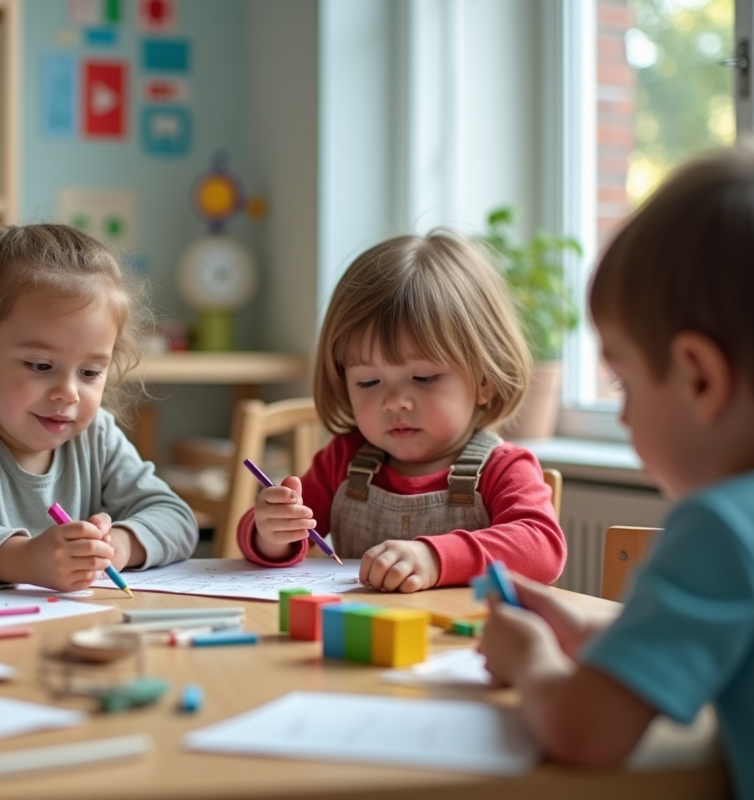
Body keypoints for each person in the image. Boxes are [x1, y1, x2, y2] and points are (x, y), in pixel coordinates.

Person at [480, 147, 754, 799]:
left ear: (699, 377)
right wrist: (595, 636)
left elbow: (584, 732)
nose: (624, 415)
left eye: (623, 381)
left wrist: (530, 660)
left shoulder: (721, 528)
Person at [238, 231, 565, 592]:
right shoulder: (342, 461)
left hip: (462, 644)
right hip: (357, 640)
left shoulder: (502, 469)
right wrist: (271, 532)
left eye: (423, 377)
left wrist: (435, 558)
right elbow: (278, 540)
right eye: (368, 382)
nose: (394, 401)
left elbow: (543, 549)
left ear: (485, 380)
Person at [0, 224, 197, 591]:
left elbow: (177, 518)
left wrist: (115, 547)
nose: (68, 393)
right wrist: (26, 559)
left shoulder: (97, 437)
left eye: (90, 372)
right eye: (41, 366)